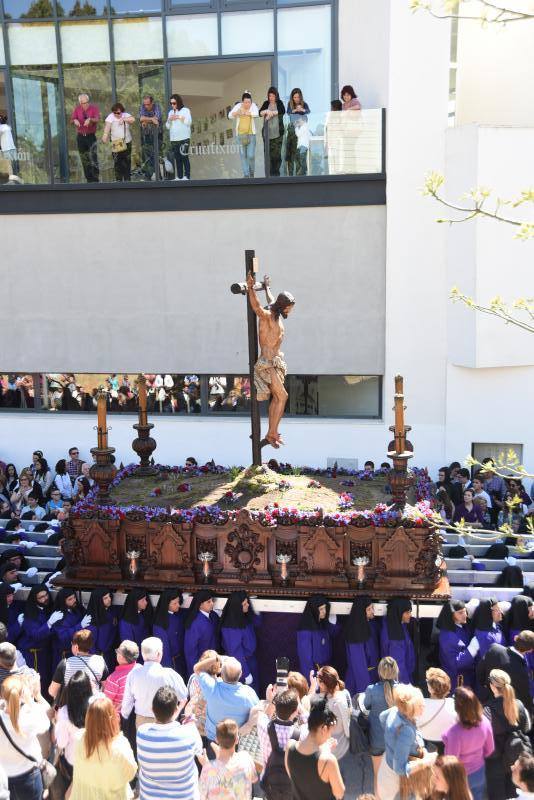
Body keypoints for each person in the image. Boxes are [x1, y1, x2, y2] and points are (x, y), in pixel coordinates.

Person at [136, 685, 202, 800]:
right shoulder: (189, 733)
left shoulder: (142, 733)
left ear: (152, 709)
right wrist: (188, 719)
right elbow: (199, 751)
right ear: (176, 710)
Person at [70, 696, 137, 799]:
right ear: (113, 718)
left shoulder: (78, 738)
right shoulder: (120, 746)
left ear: (89, 718)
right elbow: (130, 773)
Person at [378, 683, 434, 800]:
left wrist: (391, 740)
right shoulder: (406, 731)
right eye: (420, 705)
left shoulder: (395, 710)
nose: (424, 706)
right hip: (402, 778)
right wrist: (426, 761)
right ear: (410, 709)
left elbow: (382, 717)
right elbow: (400, 768)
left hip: (387, 764)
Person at [0, 674, 51, 800]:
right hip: (29, 776)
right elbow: (47, 722)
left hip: (4, 779)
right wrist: (34, 697)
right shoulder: (31, 717)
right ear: (22, 695)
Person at [484, 668, 532, 800]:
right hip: (517, 761)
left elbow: (484, 738)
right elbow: (527, 728)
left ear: (493, 687)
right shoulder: (520, 705)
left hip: (495, 764)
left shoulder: (488, 710)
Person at [193, 653, 259, 748]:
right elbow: (259, 712)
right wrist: (248, 725)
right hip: (237, 743)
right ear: (240, 674)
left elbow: (197, 668)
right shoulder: (249, 694)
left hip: (214, 741)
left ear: (222, 674)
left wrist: (216, 658)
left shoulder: (212, 688)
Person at [285, 696, 345, 800]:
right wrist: (325, 752)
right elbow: (339, 793)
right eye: (331, 731)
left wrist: (324, 750)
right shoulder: (328, 760)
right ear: (324, 728)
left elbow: (292, 776)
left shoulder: (290, 746)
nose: (330, 736)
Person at [121, 636, 187, 729]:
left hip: (142, 722)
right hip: (167, 721)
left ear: (142, 654)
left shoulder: (133, 674)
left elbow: (126, 705)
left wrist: (125, 716)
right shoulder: (169, 674)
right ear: (159, 654)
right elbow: (183, 697)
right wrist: (174, 715)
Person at [442, 686, 495, 800]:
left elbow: (452, 760)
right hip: (479, 772)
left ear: (457, 708)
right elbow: (490, 749)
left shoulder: (454, 732)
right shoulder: (485, 722)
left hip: (460, 778)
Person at [362, 656, 399, 795]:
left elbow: (364, 708)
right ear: (396, 671)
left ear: (379, 671)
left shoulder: (371, 689)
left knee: (378, 776)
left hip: (376, 740)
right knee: (397, 777)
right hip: (396, 742)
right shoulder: (403, 690)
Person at [476, 630, 534, 713]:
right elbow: (525, 698)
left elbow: (479, 672)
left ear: (516, 638)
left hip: (487, 705)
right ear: (530, 650)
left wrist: (488, 686)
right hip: (508, 712)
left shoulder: (494, 649)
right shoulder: (522, 672)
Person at [199, 718, 257, 800]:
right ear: (237, 740)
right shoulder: (246, 758)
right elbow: (253, 779)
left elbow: (203, 796)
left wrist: (206, 765)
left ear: (217, 740)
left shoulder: (208, 768)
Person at [256, 688, 300, 799]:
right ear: (295, 711)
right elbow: (310, 722)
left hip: (269, 782)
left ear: (276, 708)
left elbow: (263, 714)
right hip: (292, 786)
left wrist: (270, 701)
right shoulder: (302, 734)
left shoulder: (263, 725)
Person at [55, 670, 93, 788]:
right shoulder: (97, 704)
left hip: (74, 759)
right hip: (95, 758)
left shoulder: (64, 712)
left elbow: (61, 742)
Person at [17, 583, 60, 690]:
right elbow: (36, 635)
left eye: (46, 595)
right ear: (35, 599)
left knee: (46, 680)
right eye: (41, 597)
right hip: (32, 654)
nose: (45, 598)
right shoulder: (30, 614)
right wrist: (49, 623)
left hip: (44, 652)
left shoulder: (48, 607)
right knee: (36, 682)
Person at [49, 628, 107, 701]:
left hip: (71, 706)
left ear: (76, 646)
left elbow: (52, 691)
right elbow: (106, 687)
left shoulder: (65, 663)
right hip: (93, 706)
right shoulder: (100, 660)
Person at [220, 590, 261, 690]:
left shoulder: (243, 617)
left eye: (247, 602)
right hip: (241, 666)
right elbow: (235, 652)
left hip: (251, 661)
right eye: (244, 604)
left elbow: (257, 623)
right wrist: (245, 674)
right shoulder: (230, 627)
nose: (247, 605)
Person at [316, 666, 351, 776]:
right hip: (342, 740)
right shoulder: (345, 693)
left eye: (318, 676)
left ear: (322, 684)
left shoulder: (323, 703)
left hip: (330, 745)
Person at [344, 595, 380, 694]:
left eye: (372, 608)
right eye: (369, 609)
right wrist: (365, 692)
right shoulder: (355, 632)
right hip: (360, 680)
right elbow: (358, 664)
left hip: (372, 676)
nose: (372, 611)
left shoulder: (370, 625)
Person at [437, 599, 476, 688]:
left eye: (465, 611)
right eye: (460, 613)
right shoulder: (447, 636)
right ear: (451, 615)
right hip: (456, 681)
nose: (465, 615)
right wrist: (473, 649)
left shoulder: (460, 627)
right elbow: (455, 664)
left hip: (466, 677)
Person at [296, 594, 337, 678]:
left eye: (325, 608)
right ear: (314, 610)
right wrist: (313, 681)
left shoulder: (322, 625)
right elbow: (305, 660)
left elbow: (334, 634)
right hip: (315, 674)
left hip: (326, 673)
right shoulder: (305, 630)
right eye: (321, 609)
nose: (324, 611)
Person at [417, 668, 457, 753]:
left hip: (425, 749)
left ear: (431, 688)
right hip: (448, 749)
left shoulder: (420, 704)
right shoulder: (454, 705)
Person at [50, 586, 89, 667]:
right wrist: (80, 626)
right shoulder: (58, 616)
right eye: (70, 599)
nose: (74, 600)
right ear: (63, 601)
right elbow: (63, 636)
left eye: (74, 597)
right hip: (64, 655)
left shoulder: (75, 610)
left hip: (76, 651)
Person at [380, 597, 416, 683]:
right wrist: (406, 685)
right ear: (398, 613)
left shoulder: (397, 625)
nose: (410, 615)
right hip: (401, 681)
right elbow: (398, 667)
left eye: (410, 612)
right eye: (407, 612)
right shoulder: (395, 636)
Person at [184, 589, 219, 676]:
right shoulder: (194, 623)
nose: (212, 604)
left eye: (212, 601)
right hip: (202, 668)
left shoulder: (212, 616)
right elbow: (190, 651)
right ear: (200, 605)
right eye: (208, 602)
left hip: (211, 664)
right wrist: (196, 672)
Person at [152, 587, 186, 677]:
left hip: (179, 661)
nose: (178, 605)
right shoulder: (160, 623)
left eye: (178, 602)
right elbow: (164, 650)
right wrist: (168, 670)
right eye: (175, 603)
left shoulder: (177, 617)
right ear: (166, 604)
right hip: (170, 664)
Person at [86, 588, 119, 671]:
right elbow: (91, 646)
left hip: (110, 654)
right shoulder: (91, 620)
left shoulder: (110, 612)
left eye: (109, 596)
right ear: (98, 601)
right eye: (105, 598)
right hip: (99, 658)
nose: (109, 599)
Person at [103, 639, 139, 717]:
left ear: (121, 657)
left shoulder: (113, 678)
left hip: (119, 717)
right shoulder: (140, 670)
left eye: (118, 651)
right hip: (138, 713)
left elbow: (106, 702)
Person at [228, 92, 260, 178]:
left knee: (250, 155)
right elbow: (230, 115)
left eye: (249, 102)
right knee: (243, 156)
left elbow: (257, 113)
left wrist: (247, 112)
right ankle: (246, 174)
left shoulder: (253, 106)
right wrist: (237, 113)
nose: (247, 104)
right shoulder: (238, 106)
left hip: (251, 135)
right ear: (242, 102)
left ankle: (251, 173)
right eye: (245, 102)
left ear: (251, 102)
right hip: (240, 136)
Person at [70, 93, 100, 183]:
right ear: (80, 103)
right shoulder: (77, 109)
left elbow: (97, 119)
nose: (86, 104)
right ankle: (89, 179)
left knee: (93, 157)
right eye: (83, 103)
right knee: (84, 158)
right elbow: (71, 120)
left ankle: (95, 179)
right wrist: (75, 120)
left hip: (91, 136)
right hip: (80, 137)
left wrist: (90, 119)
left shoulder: (94, 108)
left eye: (87, 102)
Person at [102, 103, 135, 182]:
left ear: (122, 111)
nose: (116, 114)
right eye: (115, 113)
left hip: (126, 142)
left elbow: (133, 119)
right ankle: (118, 180)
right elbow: (107, 127)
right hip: (116, 142)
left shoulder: (126, 115)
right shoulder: (110, 116)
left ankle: (127, 179)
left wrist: (124, 119)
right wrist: (105, 135)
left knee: (127, 161)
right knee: (117, 162)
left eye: (118, 113)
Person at [259, 86, 285, 177]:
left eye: (273, 96)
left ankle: (276, 175)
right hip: (267, 134)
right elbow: (260, 113)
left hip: (278, 133)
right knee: (268, 155)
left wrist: (272, 113)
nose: (271, 98)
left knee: (276, 156)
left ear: (276, 96)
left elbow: (282, 111)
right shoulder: (266, 103)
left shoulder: (279, 103)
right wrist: (266, 111)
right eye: (270, 96)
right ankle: (269, 175)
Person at [166, 93, 192, 181]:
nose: (172, 105)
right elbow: (167, 126)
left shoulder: (185, 110)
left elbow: (188, 122)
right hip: (174, 139)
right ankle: (180, 177)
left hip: (184, 138)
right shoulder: (170, 112)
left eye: (174, 103)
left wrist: (179, 116)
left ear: (178, 102)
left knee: (184, 157)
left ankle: (187, 176)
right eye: (171, 103)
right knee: (177, 159)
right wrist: (169, 120)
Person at [285, 88, 310, 177]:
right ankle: (291, 176)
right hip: (292, 130)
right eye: (294, 97)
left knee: (299, 155)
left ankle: (300, 175)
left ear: (300, 97)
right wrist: (295, 110)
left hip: (301, 130)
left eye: (298, 97)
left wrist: (302, 110)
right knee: (291, 154)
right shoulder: (290, 104)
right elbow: (288, 112)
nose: (296, 99)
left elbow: (308, 112)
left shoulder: (304, 104)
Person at [118, 588, 153, 652]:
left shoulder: (142, 615)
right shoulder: (125, 622)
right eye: (143, 600)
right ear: (135, 602)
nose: (146, 602)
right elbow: (128, 647)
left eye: (146, 599)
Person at [139, 94, 163, 181]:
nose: (146, 106)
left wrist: (147, 119)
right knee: (149, 155)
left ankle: (150, 176)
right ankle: (157, 175)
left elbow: (156, 119)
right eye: (145, 104)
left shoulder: (157, 106)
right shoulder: (142, 106)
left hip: (157, 134)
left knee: (156, 155)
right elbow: (141, 119)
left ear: (152, 102)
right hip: (147, 134)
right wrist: (151, 119)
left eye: (148, 104)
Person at [0, 113, 22, 184]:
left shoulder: (2, 127)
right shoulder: (6, 127)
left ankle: (13, 180)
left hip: (7, 149)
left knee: (8, 166)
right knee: (9, 166)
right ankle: (12, 180)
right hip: (10, 149)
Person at [0, 581, 23, 646]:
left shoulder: (10, 609)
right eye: (8, 596)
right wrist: (18, 623)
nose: (11, 598)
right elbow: (6, 638)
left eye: (12, 595)